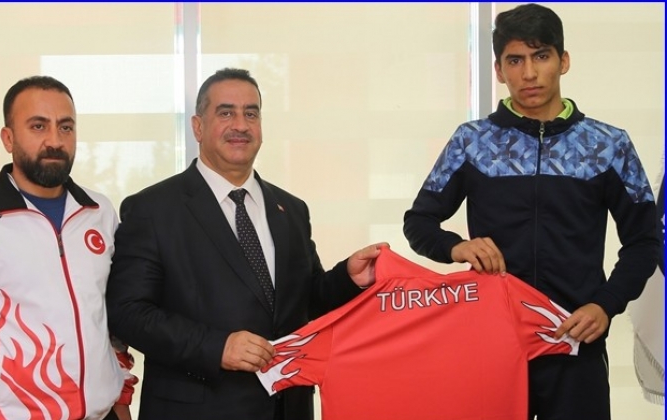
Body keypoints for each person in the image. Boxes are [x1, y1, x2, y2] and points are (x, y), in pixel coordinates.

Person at [403, 3, 660, 420]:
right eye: (515, 60)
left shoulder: (609, 145)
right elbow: (418, 221)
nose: (529, 73)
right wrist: (456, 247)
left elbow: (645, 241)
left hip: (577, 344)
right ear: (499, 70)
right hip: (493, 345)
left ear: (564, 60)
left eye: (541, 56)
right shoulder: (472, 142)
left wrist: (605, 304)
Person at [105, 67, 385, 420]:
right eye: (226, 113)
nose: (240, 125)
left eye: (251, 114)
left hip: (288, 407)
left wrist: (348, 278)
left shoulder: (291, 210)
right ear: (198, 127)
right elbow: (128, 313)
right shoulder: (153, 209)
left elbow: (305, 302)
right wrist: (216, 347)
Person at [0, 76, 136, 420]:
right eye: (38, 126)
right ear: (8, 138)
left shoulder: (99, 212)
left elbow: (111, 323)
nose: (55, 141)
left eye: (65, 127)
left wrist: (120, 401)